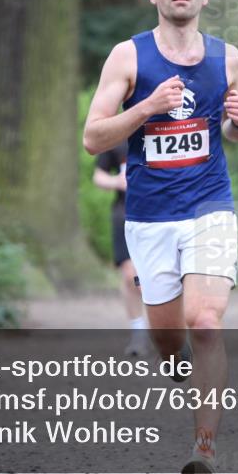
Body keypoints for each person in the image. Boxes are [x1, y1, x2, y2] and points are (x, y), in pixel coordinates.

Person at [82, 0, 238, 474]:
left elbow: (228, 132)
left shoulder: (226, 57)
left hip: (208, 205)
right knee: (168, 340)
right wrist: (147, 108)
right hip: (150, 217)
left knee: (206, 321)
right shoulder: (128, 57)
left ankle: (203, 454)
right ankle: (176, 359)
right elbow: (92, 138)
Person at [93, 141, 150, 357]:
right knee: (130, 275)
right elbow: (98, 176)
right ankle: (139, 333)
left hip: (164, 214)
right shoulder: (118, 135)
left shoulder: (167, 126)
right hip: (125, 213)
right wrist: (117, 181)